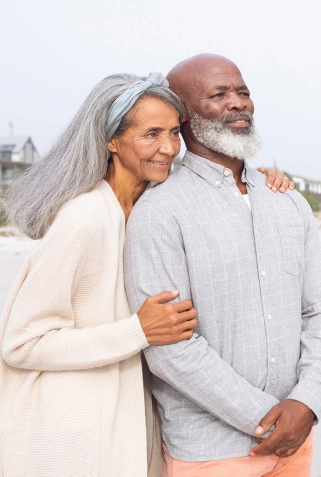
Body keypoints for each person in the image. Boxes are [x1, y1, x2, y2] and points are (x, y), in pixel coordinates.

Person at [0, 70, 291, 477]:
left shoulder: (149, 206)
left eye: (174, 132)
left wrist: (259, 182)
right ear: (111, 140)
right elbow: (20, 343)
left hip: (130, 420)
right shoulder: (83, 219)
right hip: (73, 432)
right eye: (150, 134)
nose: (169, 148)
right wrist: (138, 330)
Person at [124, 54, 321, 477]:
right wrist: (268, 417)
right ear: (184, 113)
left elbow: (316, 313)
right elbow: (170, 347)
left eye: (243, 92)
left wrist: (307, 402)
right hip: (210, 452)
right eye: (219, 94)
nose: (238, 103)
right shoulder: (159, 212)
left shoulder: (288, 202)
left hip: (297, 443)